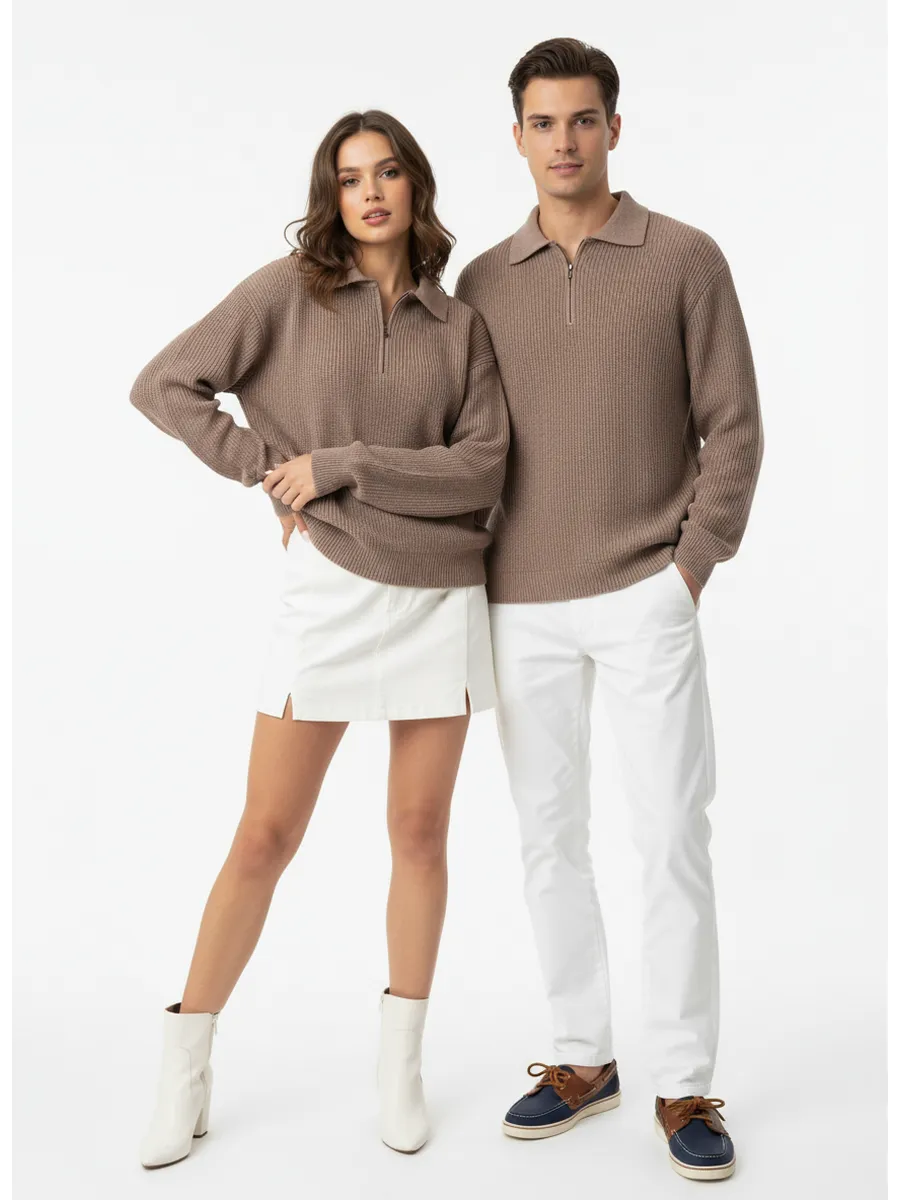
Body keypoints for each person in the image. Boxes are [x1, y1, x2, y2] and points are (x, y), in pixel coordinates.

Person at [130, 109, 509, 1167]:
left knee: (420, 832)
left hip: (441, 592)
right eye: (350, 178)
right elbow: (164, 384)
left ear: (414, 185)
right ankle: (185, 1070)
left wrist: (340, 465)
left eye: (387, 172)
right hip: (329, 588)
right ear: (331, 196)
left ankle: (400, 1071)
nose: (371, 192)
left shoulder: (459, 325)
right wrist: (264, 470)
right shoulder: (285, 294)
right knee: (264, 835)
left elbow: (483, 466)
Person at [454, 38, 763, 1181]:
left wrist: (689, 569)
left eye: (583, 119)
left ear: (615, 129)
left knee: (672, 833)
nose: (564, 141)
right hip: (518, 600)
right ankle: (584, 1058)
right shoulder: (483, 282)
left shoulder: (684, 257)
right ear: (517, 136)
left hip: (646, 589)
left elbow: (733, 426)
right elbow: (458, 440)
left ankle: (683, 1082)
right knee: (548, 838)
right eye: (543, 122)